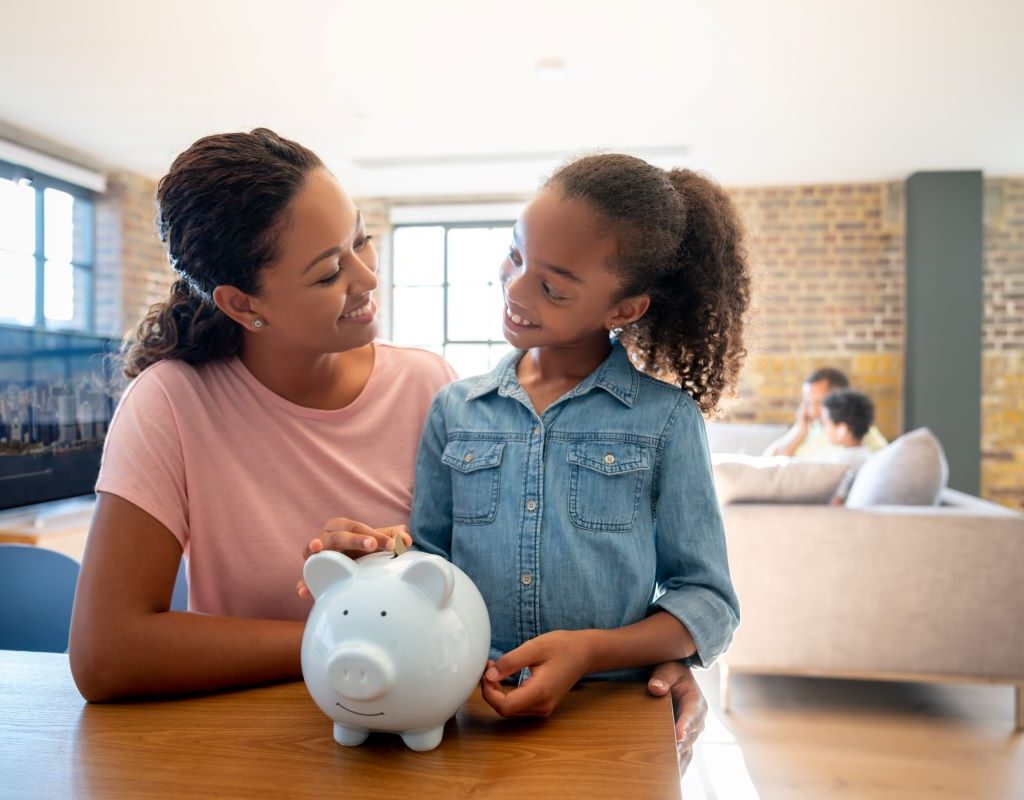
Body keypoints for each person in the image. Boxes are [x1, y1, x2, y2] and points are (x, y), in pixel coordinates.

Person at [68, 129, 707, 753]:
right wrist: (347, 635)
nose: (367, 279)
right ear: (242, 304)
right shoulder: (170, 403)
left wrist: (642, 660)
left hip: (435, 741)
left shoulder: (431, 387)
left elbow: (509, 578)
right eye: (326, 275)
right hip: (262, 743)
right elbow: (106, 655)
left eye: (361, 241)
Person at [407, 154, 747, 720]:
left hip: (608, 706)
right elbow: (428, 565)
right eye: (516, 254)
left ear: (624, 308)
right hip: (464, 699)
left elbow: (709, 603)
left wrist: (590, 651)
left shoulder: (665, 422)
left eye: (553, 288)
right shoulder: (455, 409)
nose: (515, 289)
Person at [765, 367, 887, 458]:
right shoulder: (805, 427)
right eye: (807, 403)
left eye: (819, 402)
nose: (812, 411)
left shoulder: (859, 432)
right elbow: (770, 460)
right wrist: (801, 433)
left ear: (841, 399)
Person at [820, 389, 876, 505]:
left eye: (826, 424)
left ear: (842, 429)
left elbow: (835, 501)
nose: (824, 430)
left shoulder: (845, 462)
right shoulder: (868, 455)